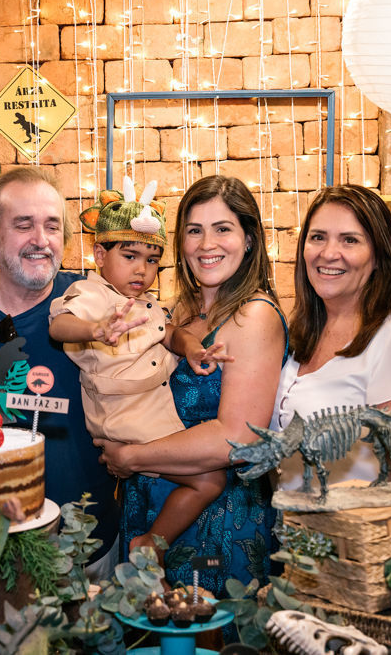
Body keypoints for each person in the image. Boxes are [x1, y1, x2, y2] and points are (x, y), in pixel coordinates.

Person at [98, 175, 288, 596]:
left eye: (223, 229)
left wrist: (132, 455)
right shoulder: (180, 308)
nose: (207, 245)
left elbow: (236, 438)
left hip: (217, 520)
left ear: (250, 239)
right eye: (194, 230)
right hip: (148, 502)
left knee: (205, 635)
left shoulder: (253, 316)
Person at [0, 167, 120, 574]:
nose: (41, 240)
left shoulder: (94, 302)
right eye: (23, 225)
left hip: (86, 542)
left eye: (52, 226)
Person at [270, 184, 391, 552]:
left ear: (378, 256)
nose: (329, 253)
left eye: (350, 240)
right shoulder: (304, 330)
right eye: (318, 237)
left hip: (379, 553)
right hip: (312, 547)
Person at [48, 178, 231, 560]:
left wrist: (192, 348)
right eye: (129, 256)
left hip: (151, 408)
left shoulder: (147, 303)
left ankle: (148, 541)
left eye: (151, 260)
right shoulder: (91, 295)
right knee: (209, 480)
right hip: (127, 418)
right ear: (99, 255)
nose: (142, 270)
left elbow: (170, 334)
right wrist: (95, 329)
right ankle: (153, 545)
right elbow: (59, 325)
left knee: (207, 475)